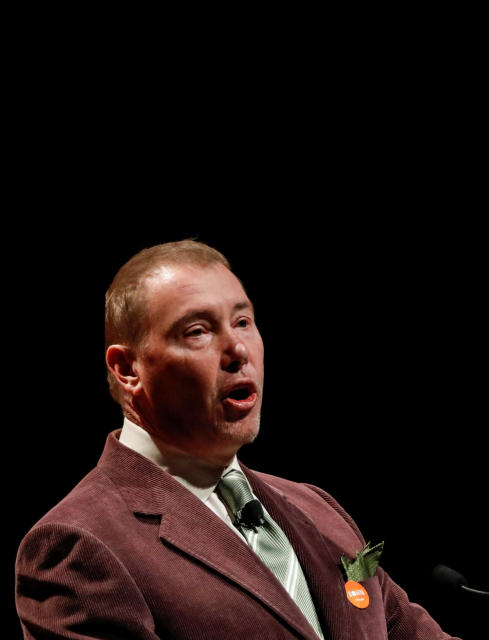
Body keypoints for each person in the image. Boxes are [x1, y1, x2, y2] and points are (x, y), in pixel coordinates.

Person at [14, 240, 458, 640]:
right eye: (198, 331)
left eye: (243, 321)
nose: (238, 350)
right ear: (128, 370)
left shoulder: (316, 509)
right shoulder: (80, 545)